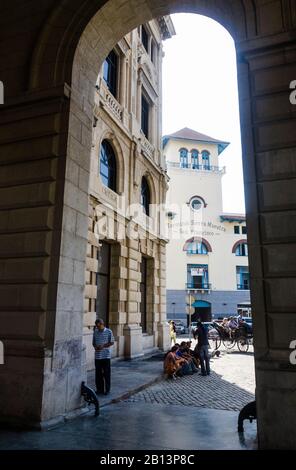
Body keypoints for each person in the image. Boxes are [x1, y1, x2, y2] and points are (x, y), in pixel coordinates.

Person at [92, 318, 114, 395]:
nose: (97, 328)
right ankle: (99, 390)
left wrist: (103, 346)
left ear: (102, 324)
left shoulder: (109, 331)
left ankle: (107, 390)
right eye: (96, 326)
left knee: (106, 374)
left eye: (98, 326)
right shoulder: (95, 332)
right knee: (98, 375)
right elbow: (93, 343)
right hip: (97, 356)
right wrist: (95, 347)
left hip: (106, 356)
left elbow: (112, 342)